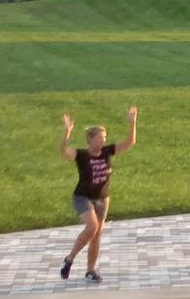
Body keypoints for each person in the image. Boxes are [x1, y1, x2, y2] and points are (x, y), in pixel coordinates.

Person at [58, 105, 137, 282]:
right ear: (90, 140)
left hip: (102, 198)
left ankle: (90, 270)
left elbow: (129, 142)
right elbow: (63, 152)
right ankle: (69, 259)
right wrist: (66, 134)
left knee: (97, 234)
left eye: (104, 138)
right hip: (82, 197)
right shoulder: (81, 155)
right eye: (100, 138)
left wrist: (132, 122)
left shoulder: (108, 151)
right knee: (92, 227)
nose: (103, 141)